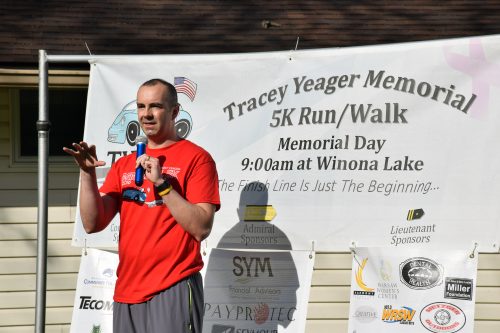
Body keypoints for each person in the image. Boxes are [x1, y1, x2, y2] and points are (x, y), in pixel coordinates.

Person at [64, 78, 220, 333]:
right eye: (141, 106)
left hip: (173, 284)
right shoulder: (124, 165)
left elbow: (201, 227)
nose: (146, 114)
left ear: (174, 112)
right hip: (126, 290)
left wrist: (161, 184)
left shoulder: (197, 159)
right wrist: (86, 174)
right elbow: (93, 223)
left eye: (155, 106)